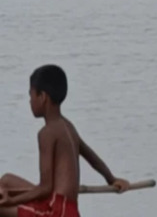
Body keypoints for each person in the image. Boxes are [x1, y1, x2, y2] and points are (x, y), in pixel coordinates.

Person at [0, 65, 129, 217]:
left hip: (56, 212)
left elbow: (45, 188)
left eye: (31, 95)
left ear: (43, 97)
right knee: (6, 180)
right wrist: (111, 179)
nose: (29, 101)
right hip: (69, 209)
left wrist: (9, 201)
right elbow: (92, 157)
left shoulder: (46, 133)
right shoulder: (68, 127)